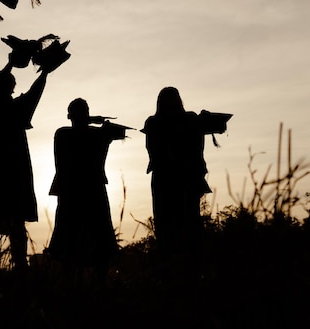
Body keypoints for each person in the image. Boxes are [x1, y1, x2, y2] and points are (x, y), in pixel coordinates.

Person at [0, 52, 56, 275]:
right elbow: (33, 94)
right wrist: (45, 72)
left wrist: (10, 63)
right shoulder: (12, 109)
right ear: (8, 89)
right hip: (13, 169)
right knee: (15, 219)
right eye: (11, 87)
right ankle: (19, 264)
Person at [141, 86, 230, 281]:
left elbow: (211, 126)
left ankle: (182, 272)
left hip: (176, 181)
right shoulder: (176, 121)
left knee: (181, 225)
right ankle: (181, 272)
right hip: (175, 181)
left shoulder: (161, 122)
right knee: (174, 226)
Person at [47, 98, 128, 289]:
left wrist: (90, 120)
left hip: (72, 193)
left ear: (69, 116)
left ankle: (77, 286)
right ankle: (94, 285)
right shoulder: (94, 134)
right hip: (89, 192)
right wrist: (95, 120)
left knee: (74, 239)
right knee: (94, 238)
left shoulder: (63, 133)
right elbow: (120, 132)